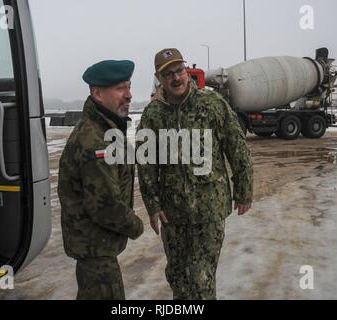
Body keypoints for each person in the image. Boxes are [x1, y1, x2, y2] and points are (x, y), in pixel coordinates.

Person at [137, 48, 253, 300]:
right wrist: (153, 204)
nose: (176, 78)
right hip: (172, 213)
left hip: (208, 209)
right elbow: (146, 165)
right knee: (177, 277)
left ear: (186, 71)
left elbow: (237, 147)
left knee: (201, 280)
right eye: (168, 74)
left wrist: (244, 190)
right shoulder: (153, 114)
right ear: (159, 77)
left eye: (179, 71)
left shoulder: (212, 103)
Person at [58, 60, 144, 300]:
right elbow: (105, 206)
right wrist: (136, 225)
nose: (128, 95)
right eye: (120, 89)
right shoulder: (95, 139)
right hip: (95, 248)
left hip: (96, 247)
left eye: (129, 87)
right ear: (97, 93)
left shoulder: (104, 128)